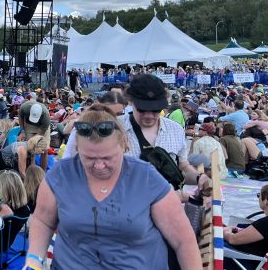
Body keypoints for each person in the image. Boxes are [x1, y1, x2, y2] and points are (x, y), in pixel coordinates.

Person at [25, 106, 202, 269]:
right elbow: (43, 221)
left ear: (124, 146)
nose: (99, 166)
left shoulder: (147, 179)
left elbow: (183, 241)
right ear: (77, 149)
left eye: (108, 158)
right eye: (89, 159)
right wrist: (34, 260)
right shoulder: (60, 176)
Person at [63, 75, 208, 192]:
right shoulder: (110, 128)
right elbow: (72, 166)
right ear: (130, 102)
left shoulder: (175, 130)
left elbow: (182, 167)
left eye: (156, 110)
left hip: (165, 211)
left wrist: (199, 178)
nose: (150, 115)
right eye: (143, 109)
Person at [223, 184, 268, 269]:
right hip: (245, 257)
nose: (258, 198)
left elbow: (233, 239)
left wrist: (224, 232)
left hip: (241, 260)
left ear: (266, 201)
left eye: (259, 195)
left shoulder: (265, 223)